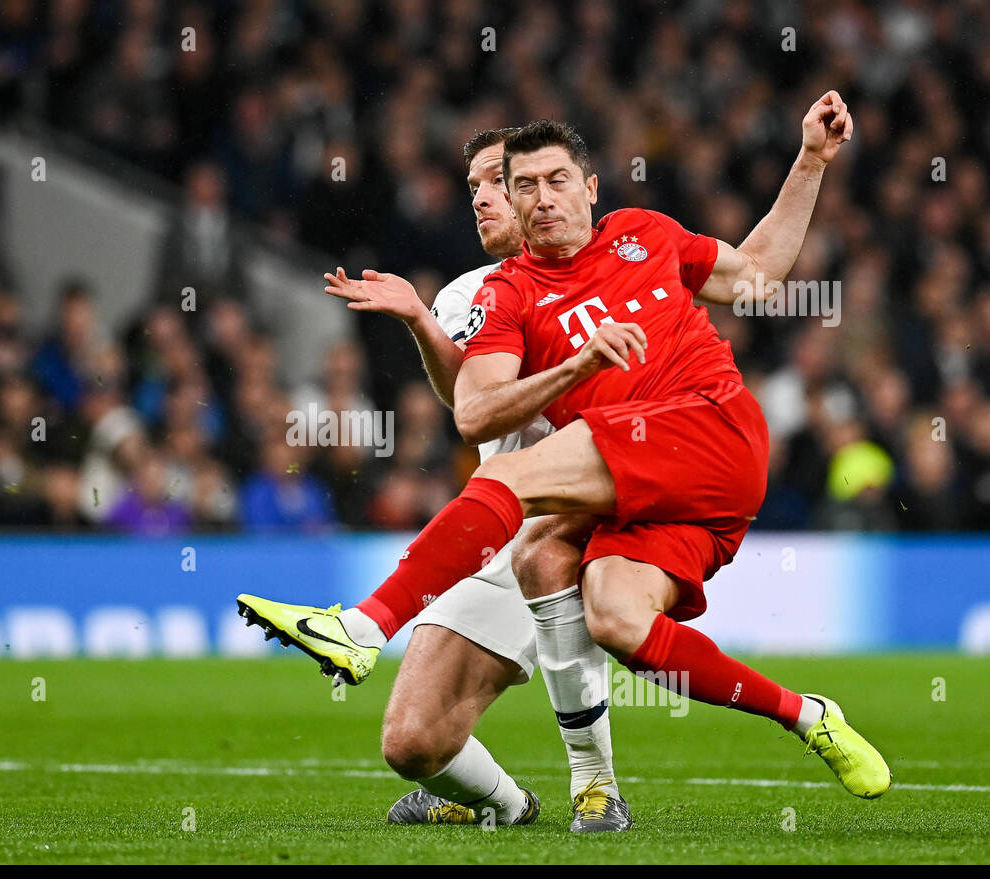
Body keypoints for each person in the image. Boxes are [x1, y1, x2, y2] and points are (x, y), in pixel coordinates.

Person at [240, 91, 892, 802]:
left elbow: (758, 277)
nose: (535, 198)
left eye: (551, 181)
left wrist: (809, 160)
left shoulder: (644, 233)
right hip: (626, 497)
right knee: (609, 617)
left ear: (590, 188)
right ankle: (807, 715)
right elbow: (475, 411)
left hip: (709, 428)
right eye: (519, 187)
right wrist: (570, 363)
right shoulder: (503, 295)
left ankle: (364, 626)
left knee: (524, 494)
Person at [317, 128, 628, 830]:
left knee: (552, 552)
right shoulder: (470, 293)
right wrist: (423, 322)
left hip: (585, 515)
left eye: (499, 182)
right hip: (493, 526)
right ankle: (509, 806)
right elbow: (476, 412)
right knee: (412, 742)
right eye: (476, 189)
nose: (483, 201)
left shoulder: (616, 272)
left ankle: (600, 787)